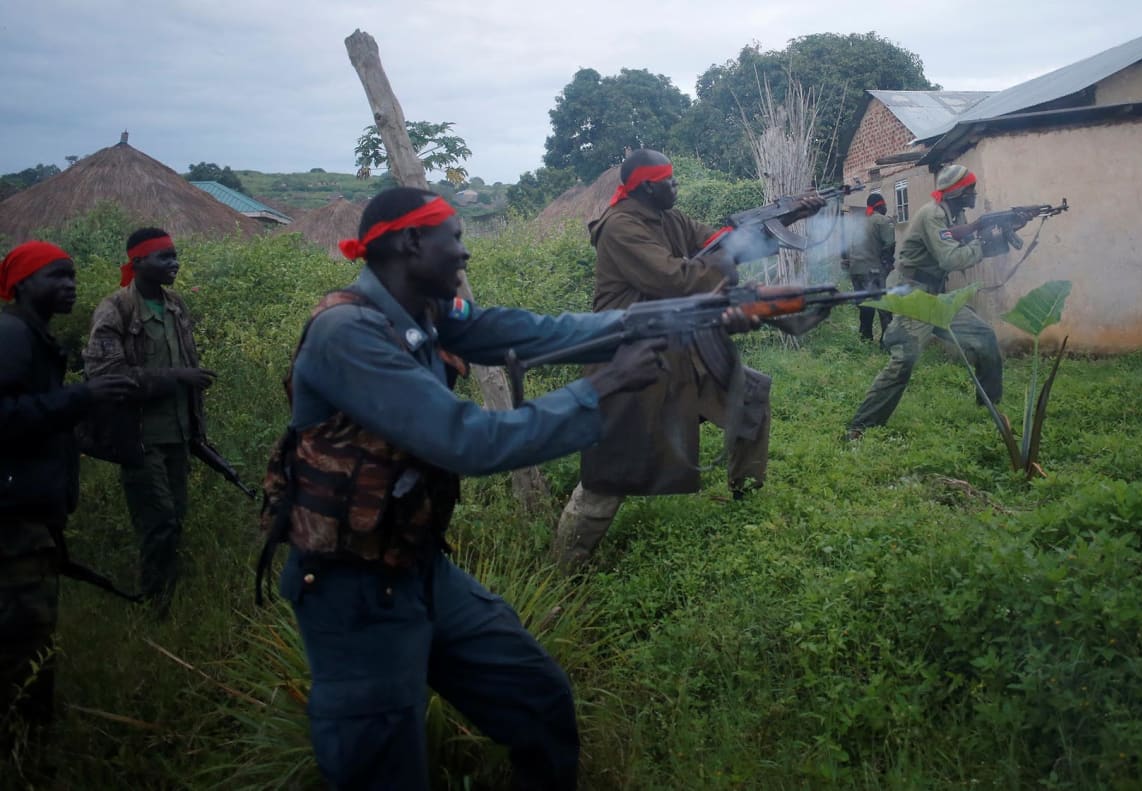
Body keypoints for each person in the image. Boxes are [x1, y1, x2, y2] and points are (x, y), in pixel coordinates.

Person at [265, 186, 676, 790]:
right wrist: (602, 387)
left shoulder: (425, 312)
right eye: (454, 239)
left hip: (419, 569)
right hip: (352, 591)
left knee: (536, 697)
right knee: (382, 769)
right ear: (411, 242)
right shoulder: (347, 334)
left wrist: (647, 320)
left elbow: (528, 332)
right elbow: (469, 442)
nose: (465, 255)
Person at [553, 149, 827, 569]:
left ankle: (745, 498)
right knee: (610, 471)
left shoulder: (669, 220)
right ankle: (564, 564)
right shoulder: (621, 228)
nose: (676, 187)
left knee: (750, 394)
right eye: (670, 181)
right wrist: (726, 264)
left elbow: (725, 245)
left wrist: (785, 215)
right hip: (631, 361)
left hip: (681, 351)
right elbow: (676, 279)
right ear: (647, 186)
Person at [0, 242, 136, 757]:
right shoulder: (12, 335)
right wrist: (82, 397)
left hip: (27, 518)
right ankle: (26, 756)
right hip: (11, 526)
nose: (71, 286)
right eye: (57, 277)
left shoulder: (32, 337)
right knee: (21, 646)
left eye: (73, 276)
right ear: (23, 284)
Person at [82, 228, 215, 612]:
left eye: (175, 256)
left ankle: (168, 597)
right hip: (139, 437)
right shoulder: (116, 309)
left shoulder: (175, 305)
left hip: (178, 432)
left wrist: (196, 428)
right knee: (158, 522)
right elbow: (105, 374)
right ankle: (156, 605)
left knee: (175, 518)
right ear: (138, 262)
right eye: (164, 257)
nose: (174, 263)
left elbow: (186, 362)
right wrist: (174, 378)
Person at [845, 164, 1003, 439]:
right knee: (903, 361)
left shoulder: (952, 214)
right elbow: (951, 259)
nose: (973, 194)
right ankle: (860, 427)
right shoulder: (932, 215)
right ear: (957, 191)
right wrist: (981, 245)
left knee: (986, 337)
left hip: (937, 297)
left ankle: (987, 408)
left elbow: (957, 245)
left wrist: (991, 239)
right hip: (914, 296)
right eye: (970, 189)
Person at [842, 192, 895, 344]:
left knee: (865, 306)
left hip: (856, 271)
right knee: (883, 306)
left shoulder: (860, 223)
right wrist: (887, 264)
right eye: (885, 205)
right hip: (873, 271)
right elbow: (889, 245)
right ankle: (887, 343)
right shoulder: (883, 221)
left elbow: (847, 247)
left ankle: (865, 340)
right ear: (882, 205)